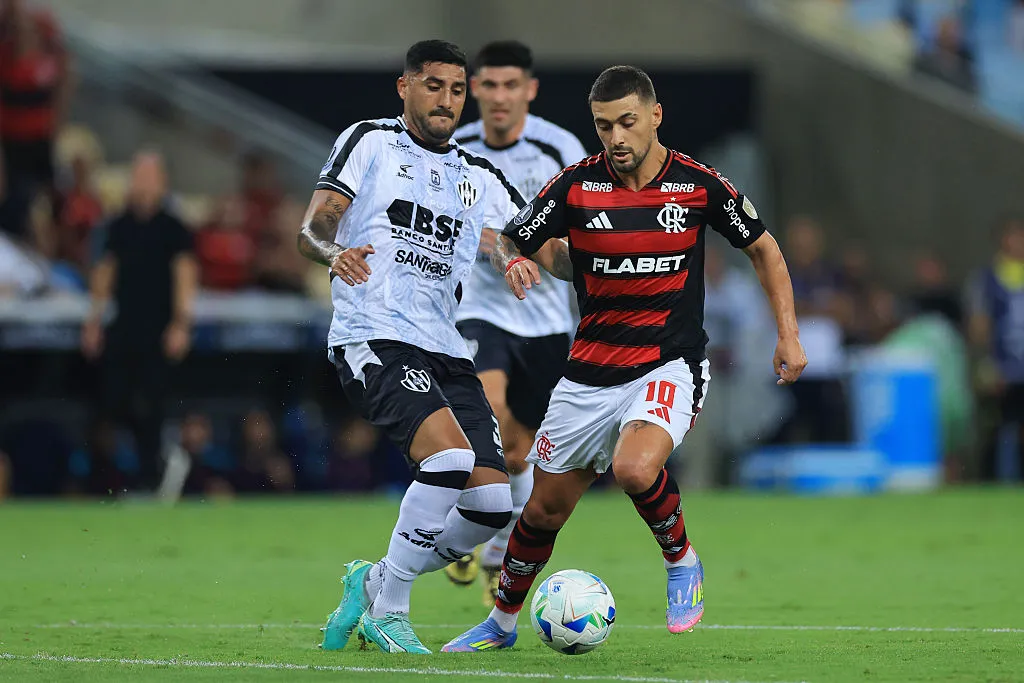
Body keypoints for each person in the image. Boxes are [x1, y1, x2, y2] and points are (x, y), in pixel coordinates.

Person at [442, 66, 806, 652]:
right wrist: (516, 258)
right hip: (587, 373)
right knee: (540, 512)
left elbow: (763, 247)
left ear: (655, 117)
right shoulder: (575, 187)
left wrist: (787, 334)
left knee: (635, 468)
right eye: (604, 125)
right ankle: (502, 623)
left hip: (668, 363)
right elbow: (518, 235)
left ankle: (682, 560)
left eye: (627, 122)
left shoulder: (697, 185)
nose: (616, 137)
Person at [298, 40, 537, 654]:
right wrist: (335, 252)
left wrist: (515, 258)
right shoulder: (369, 142)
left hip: (444, 349)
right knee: (449, 462)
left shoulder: (476, 175)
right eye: (434, 86)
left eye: (457, 90)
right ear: (404, 86)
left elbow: (520, 237)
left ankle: (374, 581)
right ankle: (393, 610)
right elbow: (315, 225)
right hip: (374, 335)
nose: (447, 100)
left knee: (490, 502)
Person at [443, 40, 587, 603]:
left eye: (511, 86)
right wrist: (503, 244)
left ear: (529, 89)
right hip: (478, 308)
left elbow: (580, 224)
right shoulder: (454, 149)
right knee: (491, 411)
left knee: (522, 450)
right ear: (474, 89)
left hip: (547, 318)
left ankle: (497, 547)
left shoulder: (559, 147)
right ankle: (466, 529)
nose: (499, 97)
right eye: (489, 85)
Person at [81, 150, 197, 491]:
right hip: (124, 325)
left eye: (148, 177)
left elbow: (184, 275)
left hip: (158, 328)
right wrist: (93, 321)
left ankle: (152, 476)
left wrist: (181, 324)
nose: (142, 184)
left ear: (162, 182)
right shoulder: (118, 226)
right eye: (137, 177)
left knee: (150, 403)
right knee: (111, 400)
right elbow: (105, 273)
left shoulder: (174, 228)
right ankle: (115, 478)